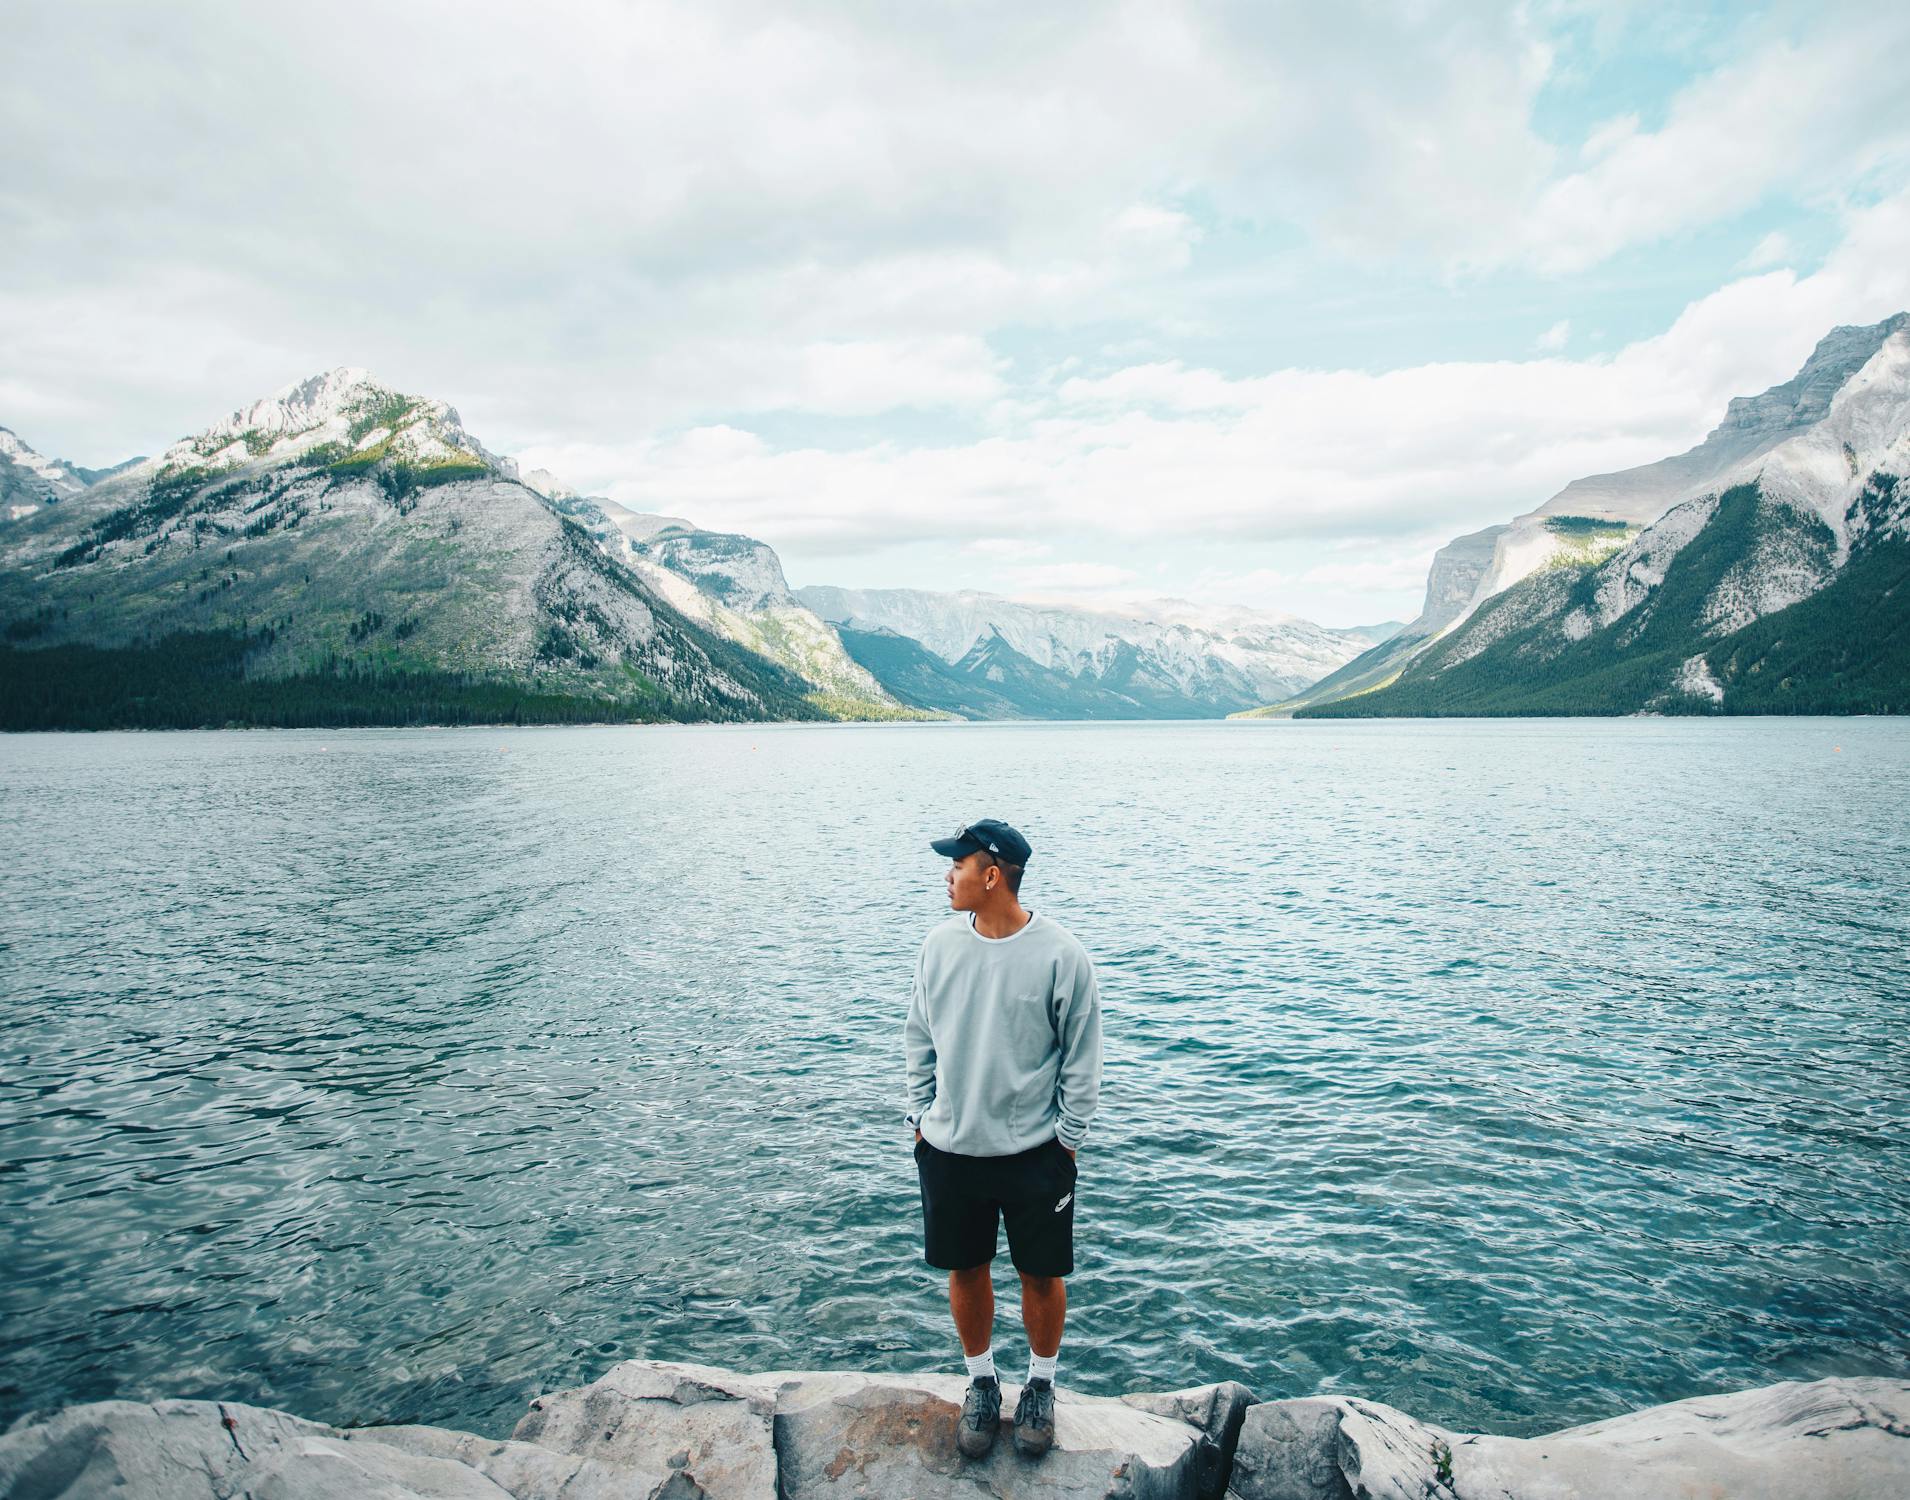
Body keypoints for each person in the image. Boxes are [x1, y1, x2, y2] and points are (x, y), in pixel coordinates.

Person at [903, 817, 1104, 1461]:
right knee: (967, 1268)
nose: (948, 874)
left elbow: (1081, 1057)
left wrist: (1066, 1140)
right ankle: (982, 1382)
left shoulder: (1061, 954)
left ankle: (1040, 1387)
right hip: (951, 1150)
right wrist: (920, 1122)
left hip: (1034, 1155)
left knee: (1040, 1274)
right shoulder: (938, 946)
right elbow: (919, 1038)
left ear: (991, 875)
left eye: (957, 864)